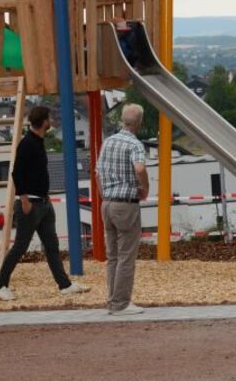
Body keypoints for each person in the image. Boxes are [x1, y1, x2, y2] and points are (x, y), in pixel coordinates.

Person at [0, 106, 90, 301]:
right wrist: (24, 199)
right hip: (31, 203)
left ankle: (64, 284)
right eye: (49, 118)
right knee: (21, 246)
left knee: (52, 246)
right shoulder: (27, 143)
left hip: (44, 203)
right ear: (44, 122)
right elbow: (16, 173)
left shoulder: (38, 142)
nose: (51, 121)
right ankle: (0, 285)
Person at [96, 103, 149, 315]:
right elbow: (139, 167)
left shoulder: (107, 142)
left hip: (107, 203)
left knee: (113, 257)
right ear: (139, 123)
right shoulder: (134, 144)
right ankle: (121, 304)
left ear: (122, 121)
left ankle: (112, 300)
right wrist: (144, 187)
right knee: (126, 256)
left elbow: (98, 173)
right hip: (126, 205)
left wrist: (103, 195)